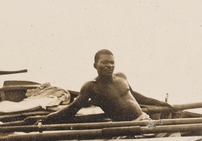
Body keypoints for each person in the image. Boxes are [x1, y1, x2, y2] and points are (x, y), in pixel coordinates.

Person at [36, 49, 173, 124]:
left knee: (170, 133)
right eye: (105, 63)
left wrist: (160, 103)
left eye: (112, 63)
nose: (109, 66)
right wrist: (46, 119)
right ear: (95, 66)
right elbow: (72, 109)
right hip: (126, 129)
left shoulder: (121, 77)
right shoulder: (91, 86)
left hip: (144, 120)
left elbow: (136, 96)